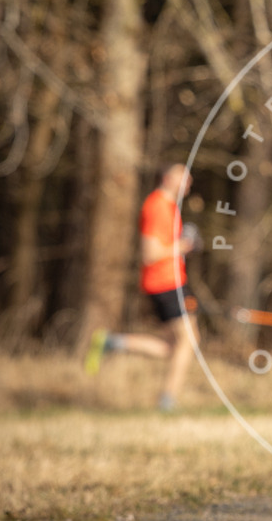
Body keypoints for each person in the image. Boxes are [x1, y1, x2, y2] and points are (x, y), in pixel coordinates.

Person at [85, 163, 201, 412]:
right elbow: (150, 253)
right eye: (184, 178)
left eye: (189, 179)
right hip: (167, 283)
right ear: (168, 178)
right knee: (189, 341)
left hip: (169, 281)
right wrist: (183, 246)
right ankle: (168, 400)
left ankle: (112, 343)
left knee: (174, 346)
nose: (188, 184)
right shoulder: (157, 206)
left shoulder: (169, 206)